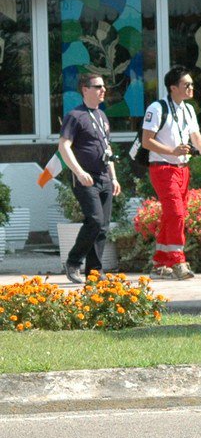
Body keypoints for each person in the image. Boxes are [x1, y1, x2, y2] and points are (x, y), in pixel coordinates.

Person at [141, 65, 201, 279]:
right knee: (176, 214)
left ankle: (159, 263)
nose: (191, 88)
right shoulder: (157, 108)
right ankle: (178, 262)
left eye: (191, 84)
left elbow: (197, 141)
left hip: (182, 169)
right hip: (162, 168)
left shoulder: (188, 110)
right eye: (186, 84)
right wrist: (172, 151)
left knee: (171, 215)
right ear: (173, 88)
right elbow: (146, 141)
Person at [57, 71, 121, 285]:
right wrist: (79, 172)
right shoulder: (75, 116)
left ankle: (95, 272)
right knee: (93, 220)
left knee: (102, 226)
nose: (103, 90)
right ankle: (73, 262)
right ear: (85, 89)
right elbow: (64, 146)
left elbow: (107, 148)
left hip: (104, 176)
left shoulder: (101, 116)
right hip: (85, 178)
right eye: (98, 86)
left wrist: (114, 177)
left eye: (103, 87)